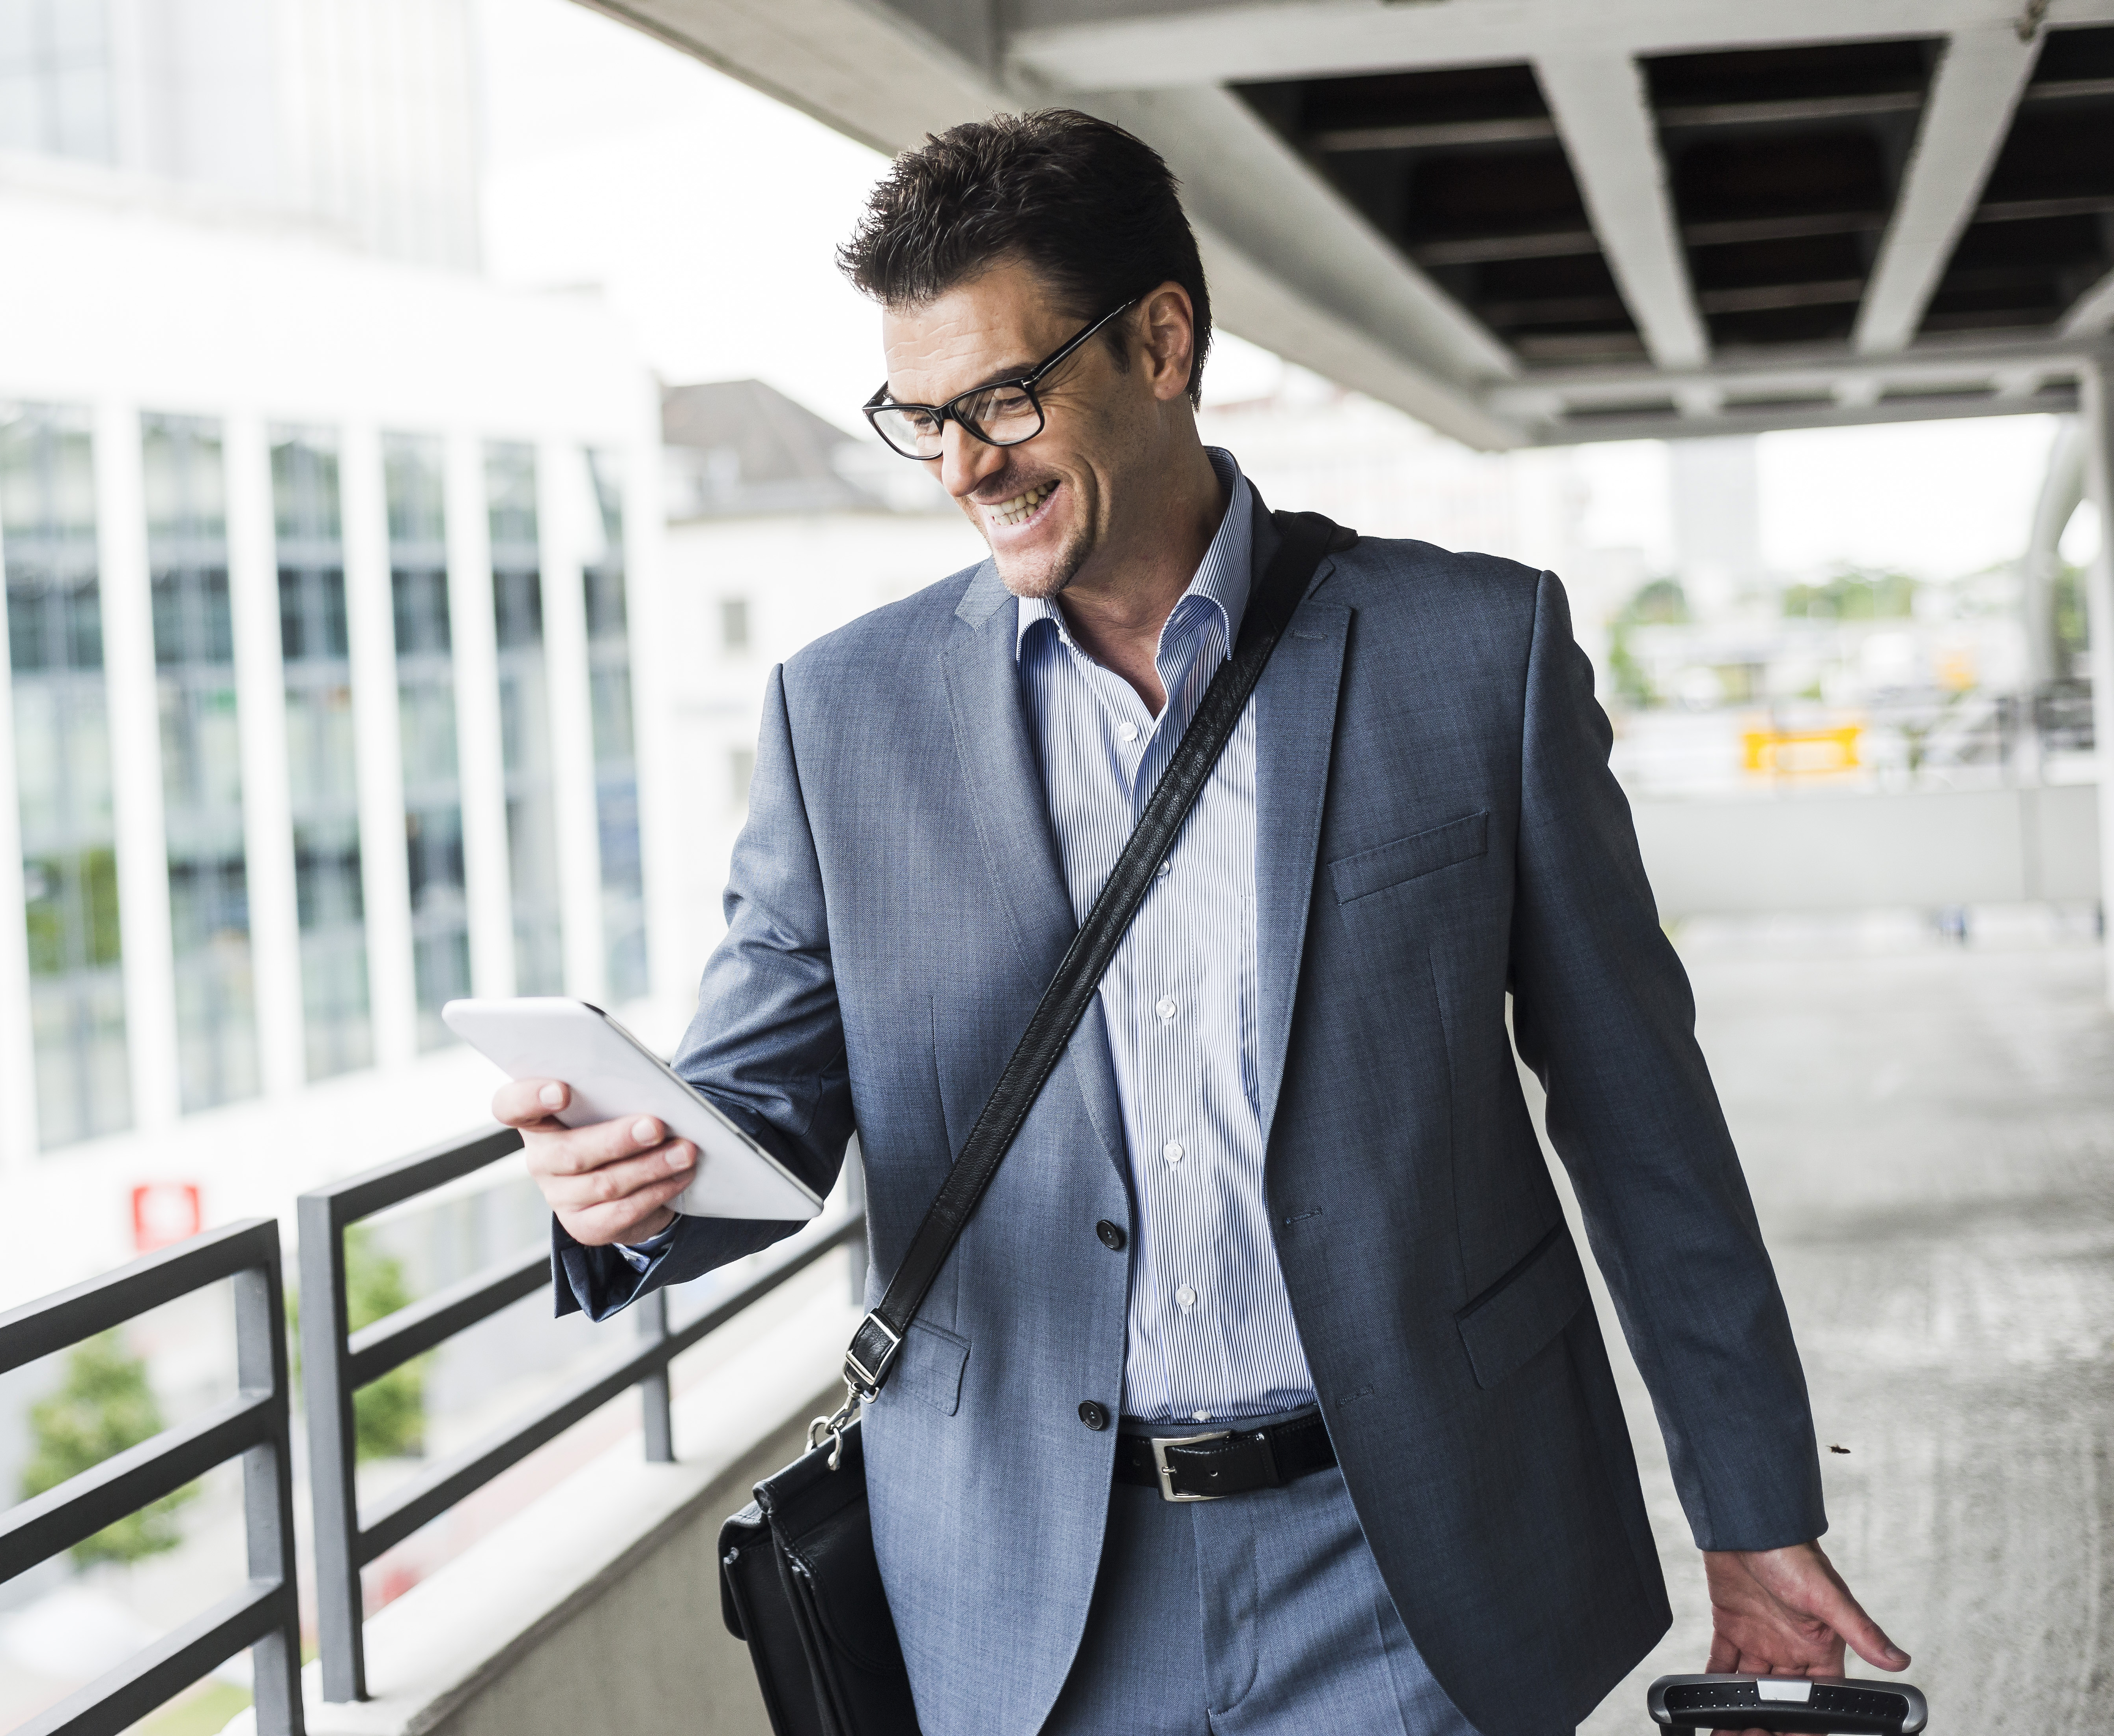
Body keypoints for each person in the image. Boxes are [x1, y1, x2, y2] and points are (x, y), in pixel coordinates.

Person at [497, 109, 1907, 1736]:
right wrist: (630, 1196)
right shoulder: (844, 718)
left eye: (1005, 398)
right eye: (921, 416)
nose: (964, 464)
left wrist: (1749, 1500)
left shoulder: (1474, 654)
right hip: (1029, 1596)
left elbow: (1636, 1109)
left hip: (1404, 1560)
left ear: (1162, 341)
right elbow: (758, 1122)